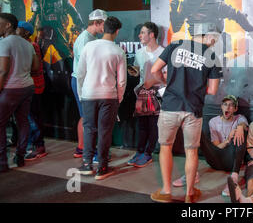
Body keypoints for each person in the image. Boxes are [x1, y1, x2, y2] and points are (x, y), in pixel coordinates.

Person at [150, 22, 222, 203]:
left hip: (170, 106)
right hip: (193, 109)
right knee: (191, 151)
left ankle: (166, 192)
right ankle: (190, 194)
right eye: (216, 39)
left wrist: (167, 83)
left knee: (165, 147)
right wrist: (195, 90)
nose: (215, 42)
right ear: (209, 36)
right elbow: (213, 90)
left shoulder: (175, 45)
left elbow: (154, 70)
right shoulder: (211, 55)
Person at [76, 16, 127, 180]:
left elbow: (80, 74)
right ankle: (102, 167)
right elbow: (122, 81)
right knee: (105, 131)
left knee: (89, 128)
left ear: (104, 27)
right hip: (108, 96)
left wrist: (81, 94)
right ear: (117, 31)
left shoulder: (89, 46)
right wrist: (118, 98)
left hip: (88, 94)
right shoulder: (118, 51)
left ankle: (86, 164)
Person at [0, 13, 39, 173]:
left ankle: (2, 162)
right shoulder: (28, 44)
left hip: (10, 88)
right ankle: (20, 156)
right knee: (23, 122)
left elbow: (3, 71)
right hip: (27, 86)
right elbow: (36, 68)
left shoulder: (5, 43)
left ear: (8, 25)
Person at [126, 22, 165, 168]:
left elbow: (166, 75)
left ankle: (148, 153)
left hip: (156, 93)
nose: (139, 35)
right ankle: (139, 151)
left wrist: (152, 81)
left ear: (152, 34)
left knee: (153, 125)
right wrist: (134, 72)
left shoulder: (163, 52)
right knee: (142, 125)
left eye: (143, 32)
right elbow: (138, 72)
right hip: (141, 93)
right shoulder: (139, 53)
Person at [71, 9, 107, 158]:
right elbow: (82, 69)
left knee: (86, 116)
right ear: (97, 23)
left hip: (86, 82)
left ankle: (82, 148)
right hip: (82, 82)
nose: (105, 28)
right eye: (104, 24)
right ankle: (86, 150)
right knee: (87, 118)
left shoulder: (91, 38)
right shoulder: (85, 39)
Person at [16, 21, 48, 161]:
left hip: (34, 86)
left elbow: (33, 68)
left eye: (19, 29)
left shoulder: (32, 46)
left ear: (26, 32)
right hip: (29, 86)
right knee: (29, 117)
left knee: (31, 117)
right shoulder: (23, 45)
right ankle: (31, 145)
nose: (16, 31)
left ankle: (38, 146)